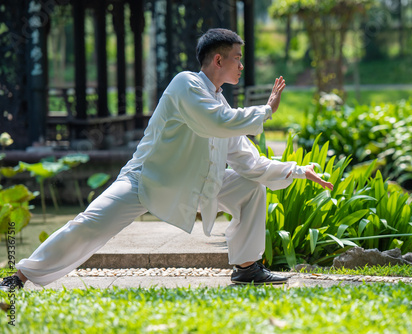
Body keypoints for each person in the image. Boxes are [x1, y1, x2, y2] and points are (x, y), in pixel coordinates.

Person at [0, 28, 333, 290]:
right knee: (89, 225)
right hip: (145, 180)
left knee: (250, 187)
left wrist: (298, 171)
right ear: (218, 61)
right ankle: (21, 276)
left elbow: (249, 161)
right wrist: (266, 110)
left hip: (196, 183)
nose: (241, 65)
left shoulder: (223, 106)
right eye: (237, 58)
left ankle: (247, 268)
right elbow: (213, 123)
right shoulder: (185, 85)